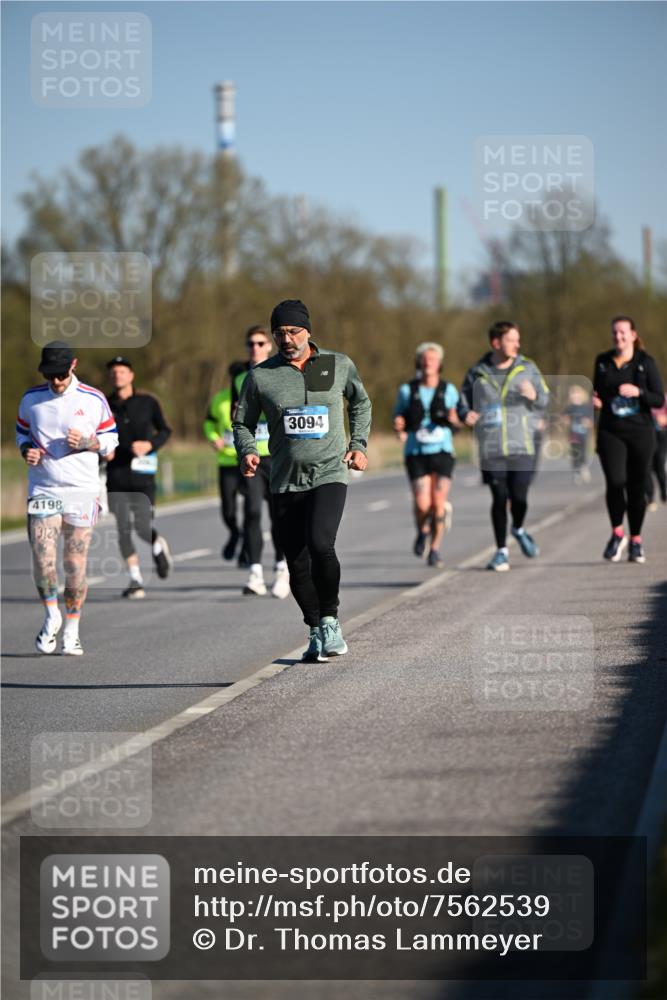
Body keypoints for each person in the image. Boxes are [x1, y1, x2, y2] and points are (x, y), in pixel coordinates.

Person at [233, 299, 372, 662]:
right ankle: (313, 628)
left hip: (330, 471)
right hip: (284, 479)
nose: (287, 339)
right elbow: (242, 422)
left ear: (308, 331)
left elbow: (360, 403)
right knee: (295, 559)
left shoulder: (337, 364)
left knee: (321, 544)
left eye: (294, 331)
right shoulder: (261, 376)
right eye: (279, 333)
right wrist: (246, 449)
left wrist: (358, 444)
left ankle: (330, 620)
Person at [16, 341, 119, 655]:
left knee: (74, 564)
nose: (56, 381)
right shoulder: (31, 399)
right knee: (42, 557)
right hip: (43, 489)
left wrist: (89, 441)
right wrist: (26, 450)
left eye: (61, 374)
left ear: (73, 365)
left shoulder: (92, 399)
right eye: (50, 375)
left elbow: (111, 441)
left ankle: (72, 629)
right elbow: (22, 433)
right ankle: (52, 616)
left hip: (81, 490)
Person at [458, 320, 549, 571]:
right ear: (496, 343)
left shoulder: (528, 368)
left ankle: (518, 528)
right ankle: (501, 551)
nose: (517, 344)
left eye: (517, 340)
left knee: (519, 497)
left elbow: (545, 399)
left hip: (522, 444)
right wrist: (466, 414)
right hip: (491, 446)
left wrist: (534, 395)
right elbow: (462, 401)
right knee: (499, 497)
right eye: (511, 340)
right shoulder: (477, 372)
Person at [593, 316, 665, 563]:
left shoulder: (645, 362)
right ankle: (617, 533)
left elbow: (658, 399)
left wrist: (639, 392)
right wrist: (597, 402)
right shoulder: (603, 361)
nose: (618, 337)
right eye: (615, 332)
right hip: (611, 431)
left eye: (623, 332)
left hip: (640, 432)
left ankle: (636, 539)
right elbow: (599, 391)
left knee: (636, 488)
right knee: (615, 481)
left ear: (633, 335)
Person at [106, 356, 173, 598]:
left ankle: (156, 544)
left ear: (131, 375)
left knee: (142, 526)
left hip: (143, 475)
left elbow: (166, 430)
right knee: (123, 528)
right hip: (116, 475)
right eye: (113, 372)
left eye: (122, 371)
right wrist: (103, 450)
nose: (117, 376)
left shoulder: (148, 402)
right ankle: (135, 579)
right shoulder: (103, 404)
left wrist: (150, 445)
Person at [231, 327, 290, 599]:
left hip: (279, 455)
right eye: (250, 343)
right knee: (253, 512)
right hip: (253, 454)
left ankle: (282, 568)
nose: (254, 348)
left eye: (260, 343)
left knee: (280, 515)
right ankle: (255, 573)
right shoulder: (241, 378)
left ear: (270, 346)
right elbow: (238, 417)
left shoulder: (282, 373)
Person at [392, 342, 459, 568]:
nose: (428, 362)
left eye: (433, 359)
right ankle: (422, 530)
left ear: (439, 364)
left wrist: (454, 418)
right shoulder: (406, 390)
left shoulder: (448, 390)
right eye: (425, 359)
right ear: (419, 362)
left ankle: (435, 548)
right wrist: (399, 427)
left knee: (438, 504)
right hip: (416, 452)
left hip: (442, 452)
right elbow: (398, 419)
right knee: (423, 505)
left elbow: (458, 421)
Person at [204, 361, 246, 563]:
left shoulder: (253, 397)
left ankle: (247, 548)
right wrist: (213, 438)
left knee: (251, 507)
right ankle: (235, 533)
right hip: (227, 462)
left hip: (250, 461)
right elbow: (209, 421)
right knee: (228, 509)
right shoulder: (220, 400)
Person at [564, 384, 594, 484]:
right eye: (572, 394)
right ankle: (576, 472)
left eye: (576, 394)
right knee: (575, 452)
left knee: (583, 452)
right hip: (573, 434)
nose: (574, 396)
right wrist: (565, 420)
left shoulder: (586, 407)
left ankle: (583, 467)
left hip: (584, 434)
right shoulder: (569, 408)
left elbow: (591, 420)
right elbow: (564, 418)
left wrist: (588, 422)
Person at [645, 393, 667, 511]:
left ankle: (664, 492)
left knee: (659, 465)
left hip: (661, 435)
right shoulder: (640, 396)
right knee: (646, 467)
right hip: (646, 435)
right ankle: (650, 498)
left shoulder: (663, 398)